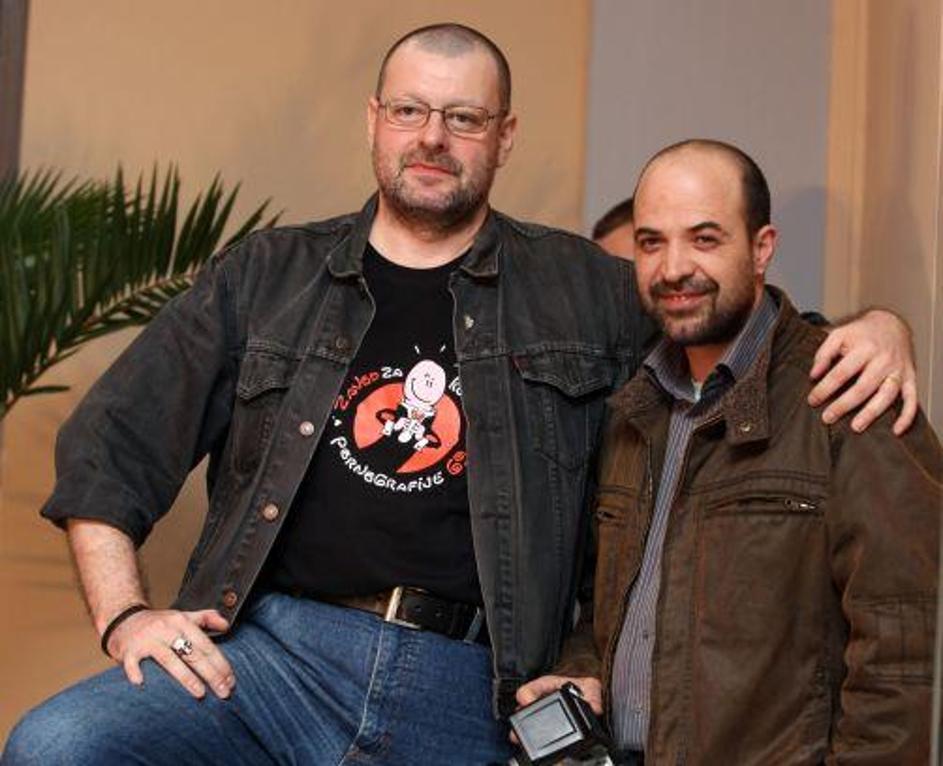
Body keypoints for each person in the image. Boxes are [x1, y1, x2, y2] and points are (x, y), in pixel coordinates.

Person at [2, 26, 918, 766]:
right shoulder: (267, 274)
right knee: (58, 747)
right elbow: (108, 448)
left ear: (504, 136)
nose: (432, 137)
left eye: (464, 117)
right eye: (409, 110)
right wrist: (126, 616)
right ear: (375, 121)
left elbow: (718, 318)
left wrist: (874, 328)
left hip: (479, 686)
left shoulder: (584, 288)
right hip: (271, 659)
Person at [518, 139, 941, 764]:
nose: (674, 267)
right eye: (652, 242)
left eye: (705, 239)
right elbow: (609, 610)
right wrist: (582, 671)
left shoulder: (848, 392)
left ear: (762, 247)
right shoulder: (634, 409)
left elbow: (904, 646)